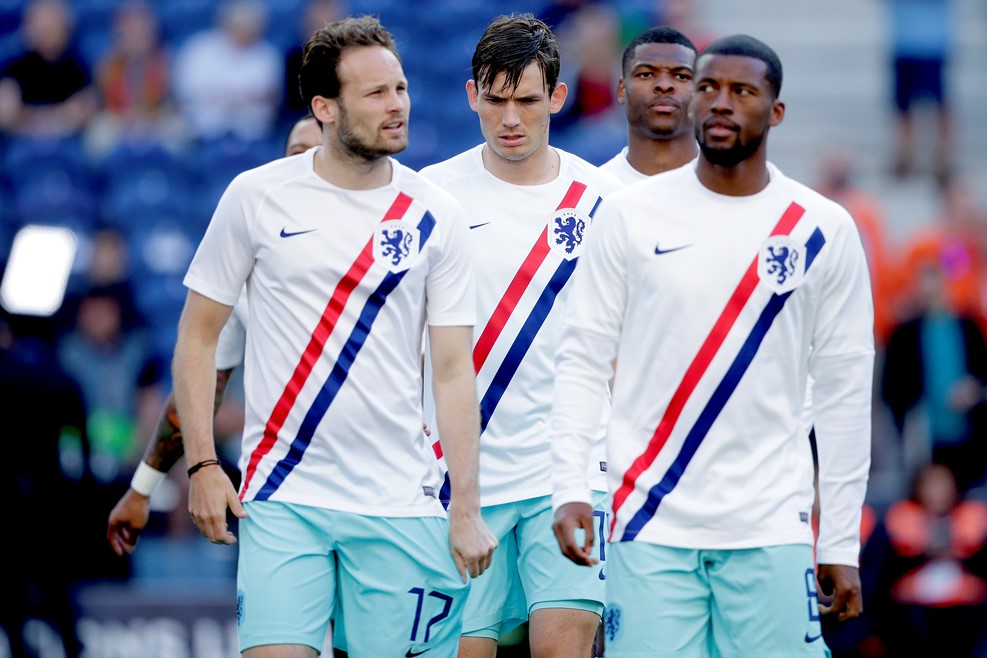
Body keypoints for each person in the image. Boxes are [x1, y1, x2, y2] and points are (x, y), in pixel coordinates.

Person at [172, 16, 496, 658]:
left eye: (400, 88)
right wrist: (204, 464)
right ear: (325, 107)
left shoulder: (436, 214)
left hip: (399, 500)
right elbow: (198, 338)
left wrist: (466, 505)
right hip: (282, 495)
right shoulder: (254, 197)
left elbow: (454, 371)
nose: (397, 105)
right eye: (375, 93)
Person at [551, 34, 874, 656]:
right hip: (650, 522)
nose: (721, 102)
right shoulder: (628, 215)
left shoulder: (821, 229)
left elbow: (844, 391)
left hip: (770, 526)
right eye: (708, 87)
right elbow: (583, 359)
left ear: (777, 111)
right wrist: (570, 486)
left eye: (742, 91)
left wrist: (839, 539)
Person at [420, 14, 620, 658]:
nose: (511, 118)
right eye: (496, 100)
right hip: (458, 475)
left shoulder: (604, 200)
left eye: (528, 101)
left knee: (563, 646)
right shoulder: (430, 198)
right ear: (471, 95)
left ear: (557, 97)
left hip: (572, 470)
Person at [106, 114, 321, 557]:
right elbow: (202, 388)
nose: (305, 166)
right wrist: (143, 488)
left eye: (319, 154)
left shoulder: (394, 255)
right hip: (284, 492)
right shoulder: (251, 277)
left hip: (383, 490)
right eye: (295, 154)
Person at [600, 25, 698, 184]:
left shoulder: (731, 187)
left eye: (681, 76)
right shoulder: (596, 190)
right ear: (621, 89)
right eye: (646, 74)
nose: (664, 85)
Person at [0, 0, 96, 138]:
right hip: (21, 140)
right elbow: (6, 113)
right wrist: (58, 115)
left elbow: (84, 109)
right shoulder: (15, 67)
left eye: (49, 27)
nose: (43, 32)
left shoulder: (79, 66)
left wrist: (32, 116)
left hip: (69, 139)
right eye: (39, 25)